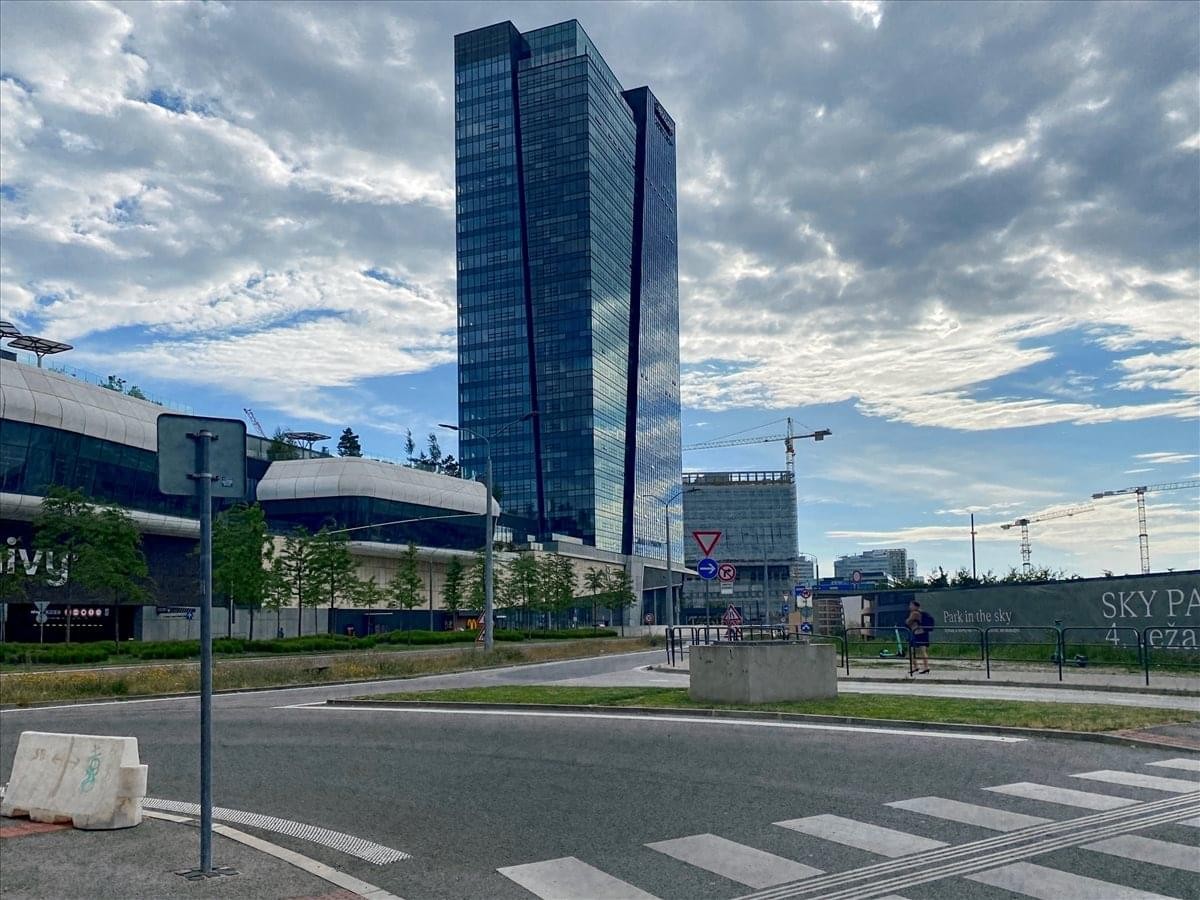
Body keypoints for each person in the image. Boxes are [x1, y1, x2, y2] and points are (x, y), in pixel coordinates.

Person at [906, 600, 931, 675]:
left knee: (915, 651)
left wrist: (909, 620)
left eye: (911, 605)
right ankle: (921, 667)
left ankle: (922, 667)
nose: (910, 607)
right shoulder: (921, 612)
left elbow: (908, 622)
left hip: (918, 633)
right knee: (920, 651)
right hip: (921, 633)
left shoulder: (915, 613)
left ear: (915, 606)